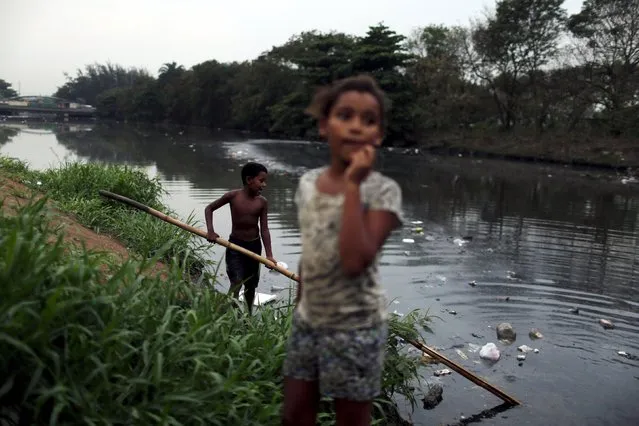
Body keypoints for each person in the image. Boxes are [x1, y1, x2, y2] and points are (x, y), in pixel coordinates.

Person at [281, 75, 404, 426]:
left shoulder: (383, 192)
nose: (356, 127)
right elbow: (311, 250)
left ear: (378, 135)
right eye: (345, 115)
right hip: (309, 321)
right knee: (294, 414)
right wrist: (300, 307)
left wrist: (353, 185)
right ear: (324, 125)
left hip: (357, 327)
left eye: (368, 120)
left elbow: (353, 261)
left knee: (350, 421)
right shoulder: (307, 183)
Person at [204, 162, 277, 314]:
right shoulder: (233, 196)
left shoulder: (262, 202)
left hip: (254, 247)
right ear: (249, 180)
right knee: (236, 282)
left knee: (251, 285)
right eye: (261, 180)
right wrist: (210, 231)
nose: (264, 184)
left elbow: (264, 229)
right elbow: (209, 208)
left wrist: (269, 255)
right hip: (235, 246)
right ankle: (232, 315)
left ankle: (248, 315)